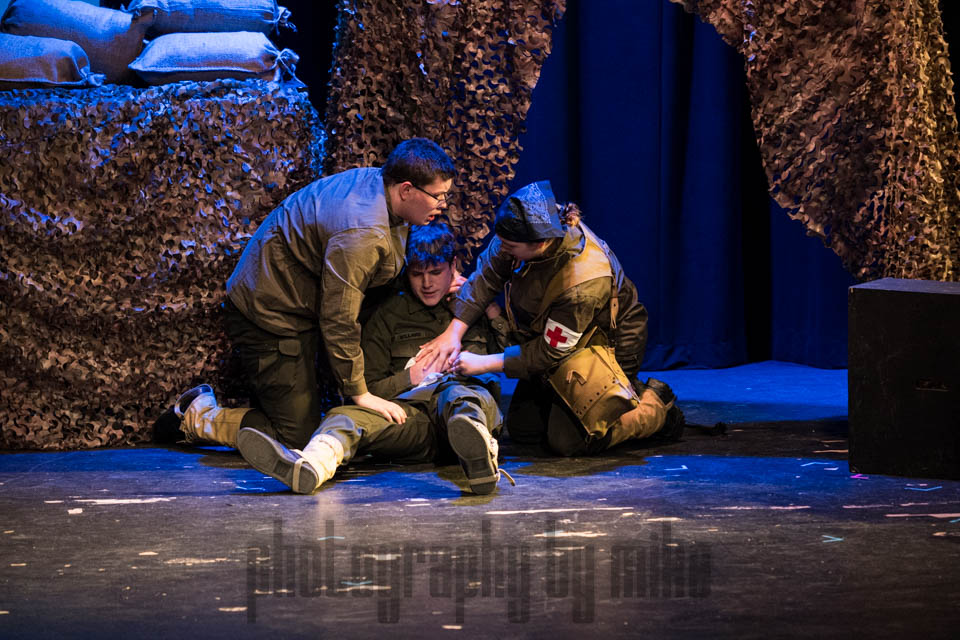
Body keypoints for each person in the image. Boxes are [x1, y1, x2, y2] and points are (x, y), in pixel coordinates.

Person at [157, 138, 456, 451]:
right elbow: (339, 317)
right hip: (270, 316)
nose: (443, 204)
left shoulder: (384, 187)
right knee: (297, 439)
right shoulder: (362, 234)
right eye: (437, 196)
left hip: (301, 301)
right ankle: (199, 416)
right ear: (406, 190)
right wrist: (360, 393)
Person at [234, 223, 511, 494]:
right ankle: (311, 466)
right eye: (417, 274)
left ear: (453, 266)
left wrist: (488, 308)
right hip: (414, 421)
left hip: (467, 407)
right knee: (343, 416)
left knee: (459, 396)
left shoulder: (473, 306)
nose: (427, 283)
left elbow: (515, 360)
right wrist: (410, 377)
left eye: (436, 272)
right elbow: (370, 390)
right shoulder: (390, 315)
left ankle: (478, 457)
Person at [418, 180, 685, 457]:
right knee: (524, 430)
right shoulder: (525, 226)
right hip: (558, 339)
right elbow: (487, 277)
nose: (503, 248)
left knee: (569, 442)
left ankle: (654, 406)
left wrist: (484, 363)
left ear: (540, 244)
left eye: (510, 245)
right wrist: (453, 333)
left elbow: (550, 350)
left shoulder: (581, 282)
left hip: (604, 344)